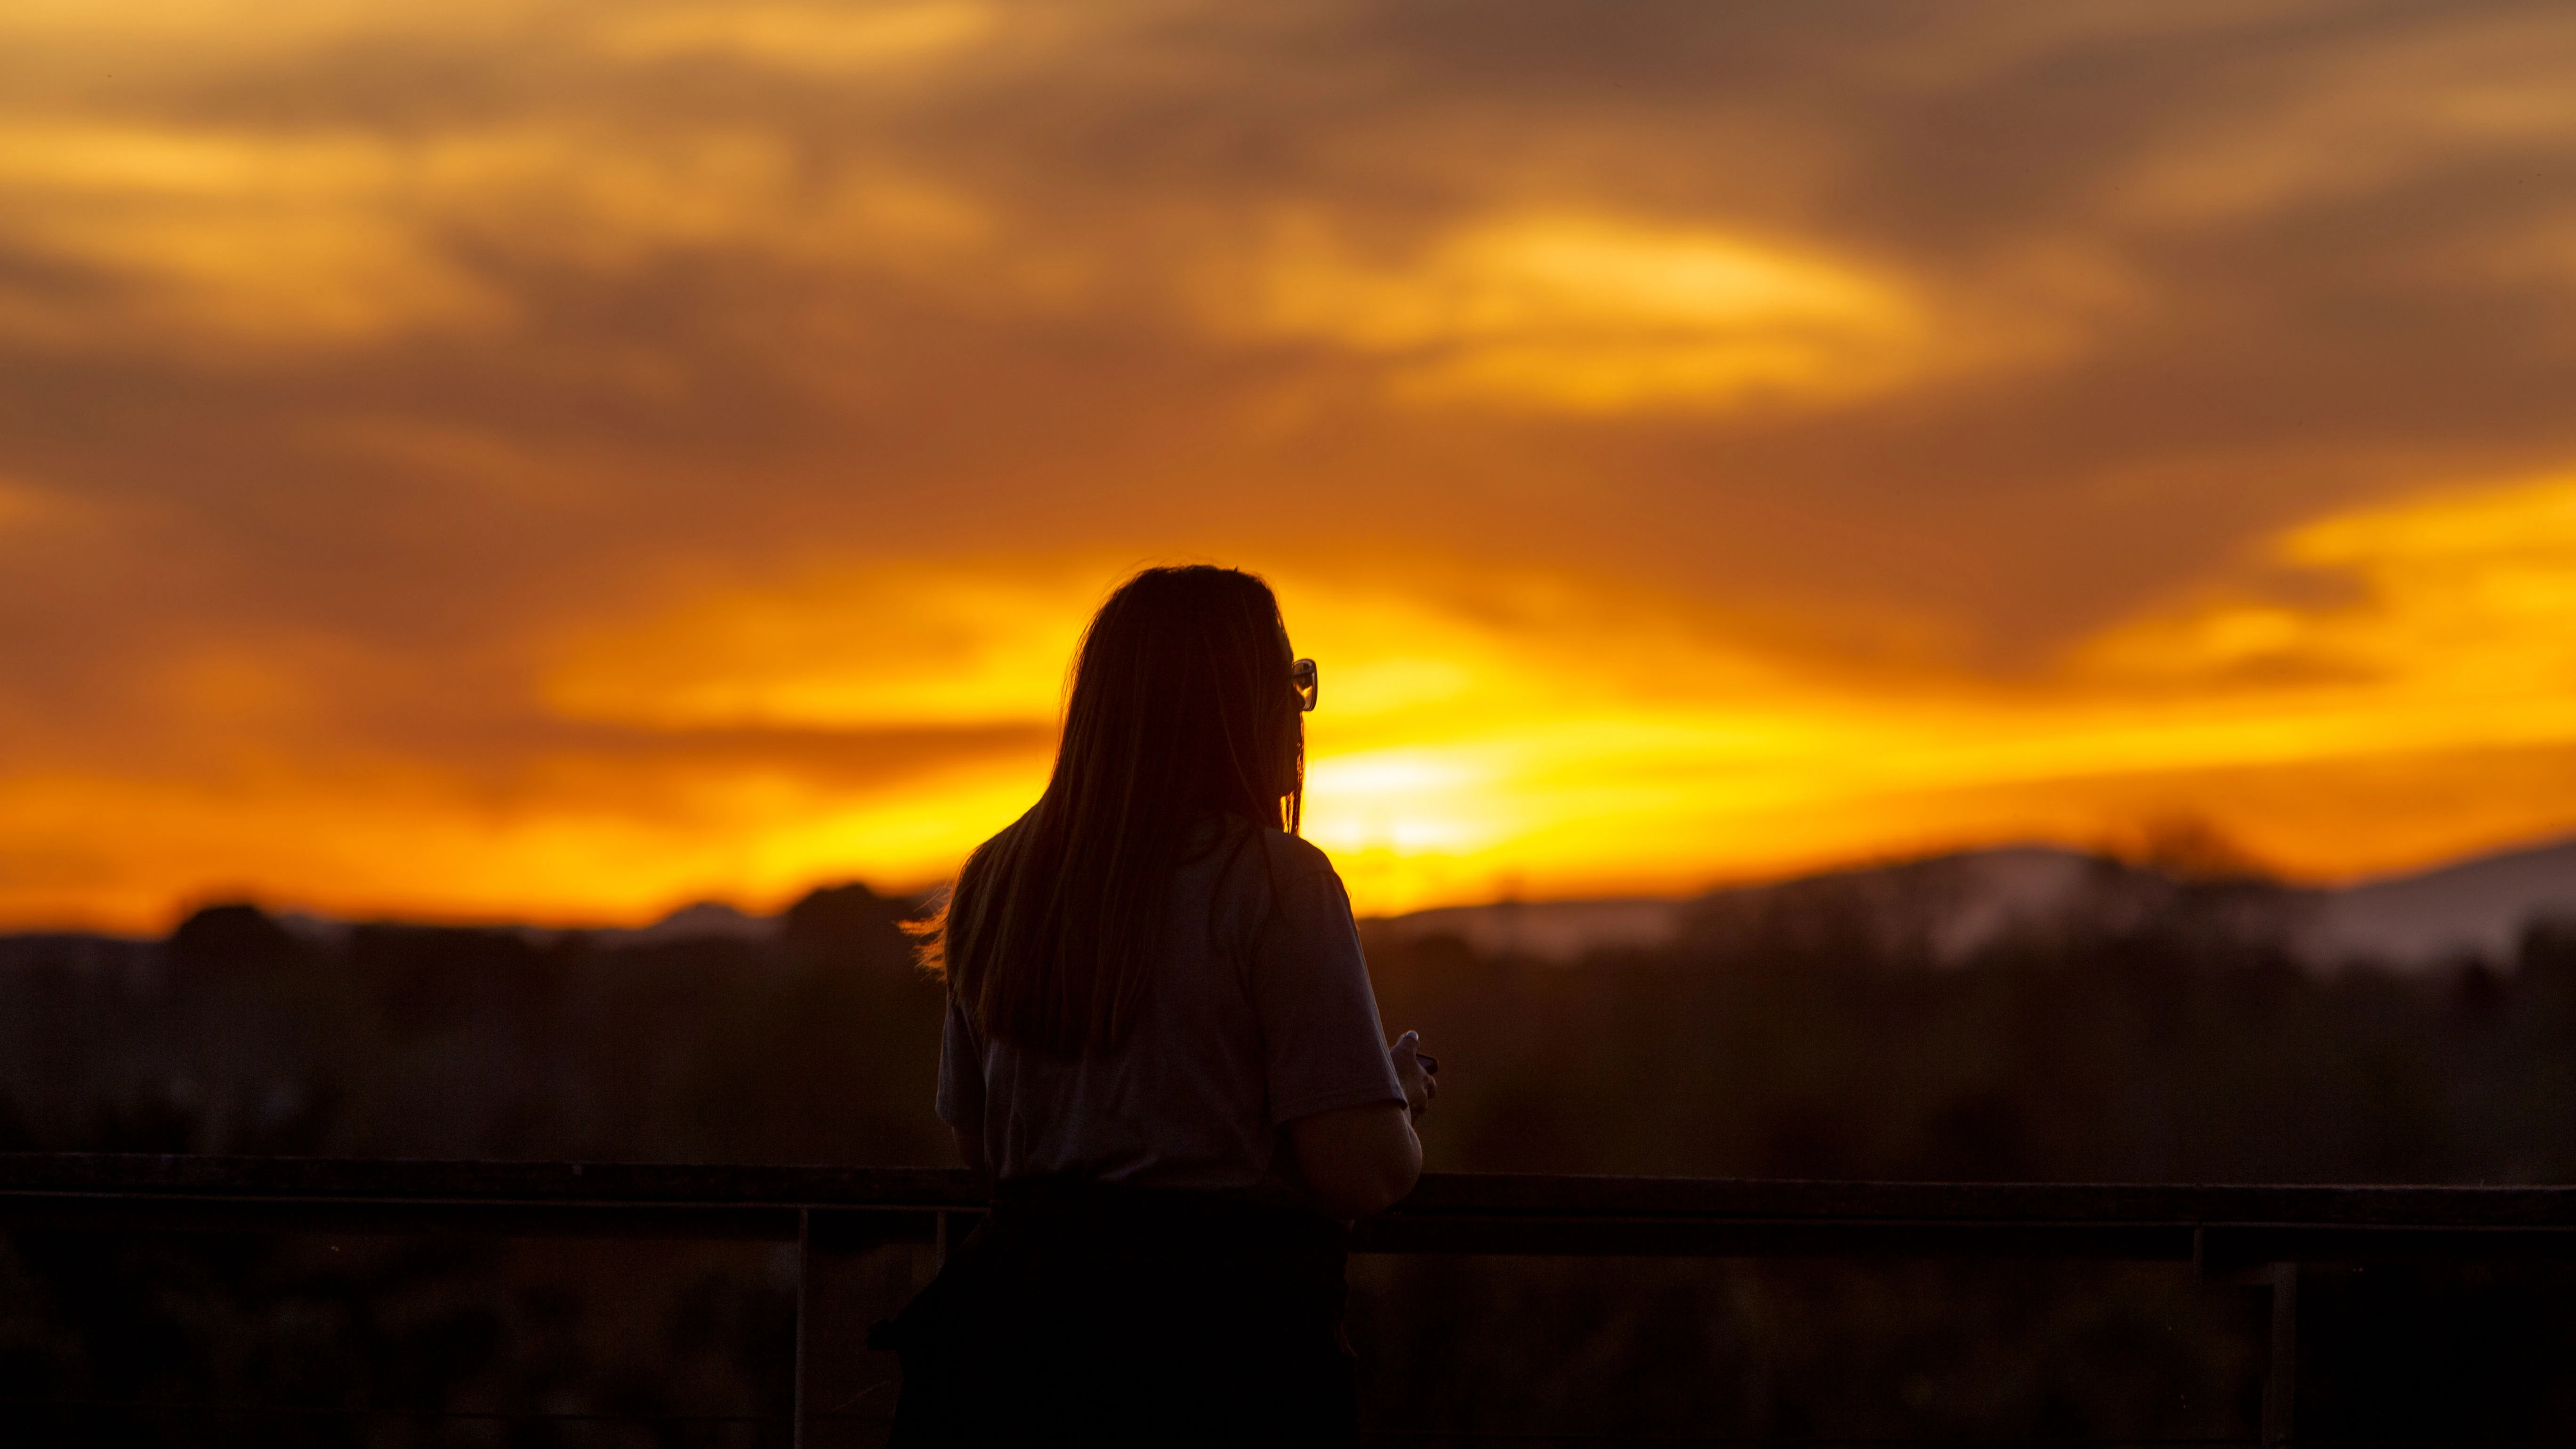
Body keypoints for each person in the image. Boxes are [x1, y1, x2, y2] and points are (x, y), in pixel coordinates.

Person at [880, 564, 1438, 1447]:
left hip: (1010, 1369)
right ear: (1240, 708)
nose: (1298, 714)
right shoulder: (1275, 883)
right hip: (1218, 1366)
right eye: (1290, 686)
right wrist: (1391, 1100)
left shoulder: (999, 877)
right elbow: (1359, 1171)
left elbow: (982, 1145)